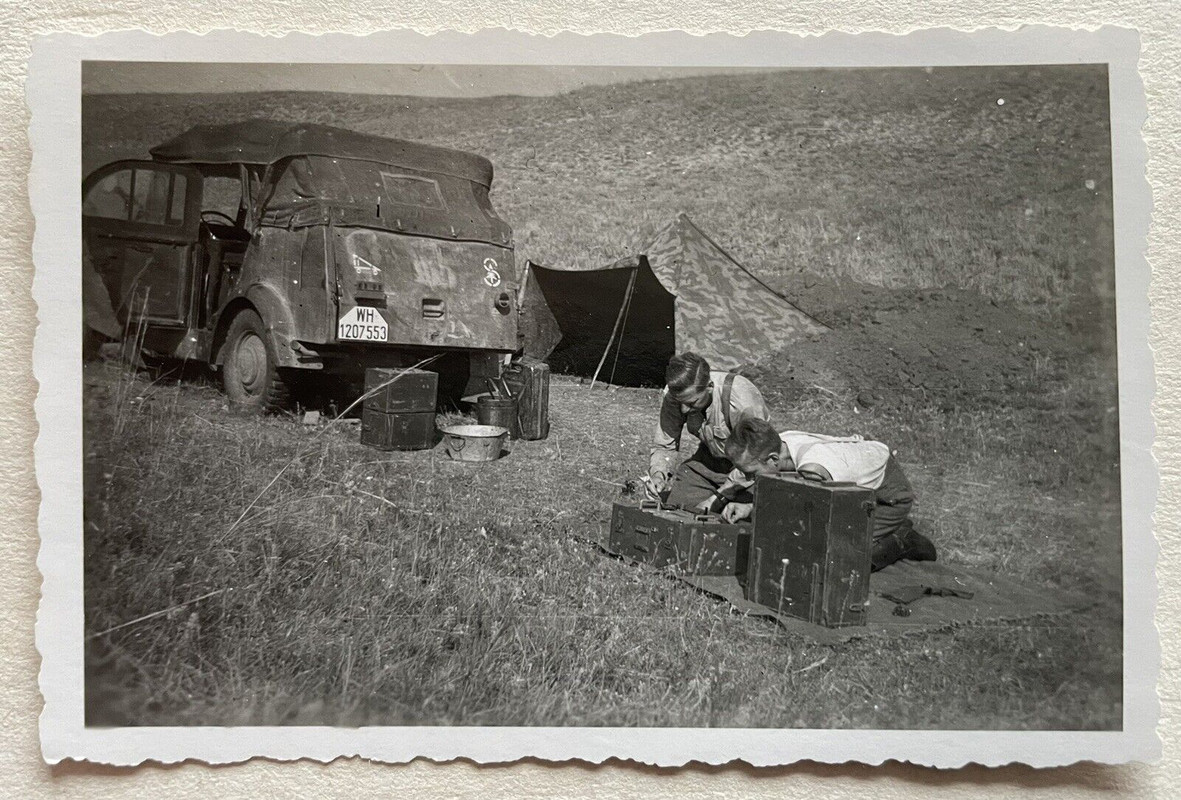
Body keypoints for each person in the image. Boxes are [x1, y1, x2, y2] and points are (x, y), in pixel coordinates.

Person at [719, 416, 936, 571]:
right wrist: (748, 506)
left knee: (841, 562)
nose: (749, 480)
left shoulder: (814, 469)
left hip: (887, 496)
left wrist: (753, 510)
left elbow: (806, 514)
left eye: (751, 474)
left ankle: (904, 537)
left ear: (774, 459)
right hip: (854, 487)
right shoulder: (776, 444)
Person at [647, 352, 771, 510]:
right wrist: (659, 474)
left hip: (748, 469)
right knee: (677, 509)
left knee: (740, 517)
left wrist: (719, 497)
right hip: (709, 464)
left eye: (692, 403)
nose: (684, 410)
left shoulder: (740, 397)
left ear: (710, 387)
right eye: (681, 403)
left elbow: (758, 457)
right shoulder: (675, 395)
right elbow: (665, 444)